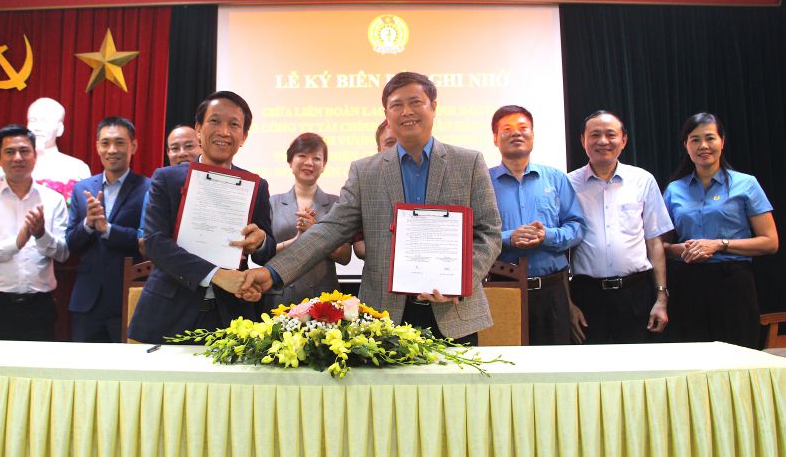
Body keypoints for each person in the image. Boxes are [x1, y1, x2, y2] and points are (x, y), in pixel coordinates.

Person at [243, 72, 502, 344]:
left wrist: (461, 281)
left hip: (454, 313)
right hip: (384, 317)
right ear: (386, 114)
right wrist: (273, 272)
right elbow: (330, 229)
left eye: (416, 102)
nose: (407, 112)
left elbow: (489, 233)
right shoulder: (365, 171)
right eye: (397, 105)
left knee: (454, 389)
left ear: (434, 107)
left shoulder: (468, 162)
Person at [127, 91, 276, 343]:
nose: (224, 131)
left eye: (234, 125)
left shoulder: (256, 185)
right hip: (169, 315)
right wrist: (218, 275)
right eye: (214, 121)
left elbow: (266, 251)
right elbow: (155, 243)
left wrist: (260, 241)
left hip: (232, 317)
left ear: (244, 137)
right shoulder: (167, 179)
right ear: (198, 128)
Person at [663, 113, 778, 349]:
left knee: (738, 360)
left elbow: (770, 242)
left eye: (710, 138)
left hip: (733, 283)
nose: (703, 146)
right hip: (688, 284)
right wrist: (684, 249)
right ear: (686, 145)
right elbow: (661, 247)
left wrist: (719, 244)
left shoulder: (746, 184)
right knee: (692, 362)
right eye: (695, 139)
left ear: (722, 141)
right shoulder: (674, 189)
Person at [567, 111, 672, 344]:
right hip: (587, 296)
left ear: (623, 140)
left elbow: (654, 242)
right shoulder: (567, 184)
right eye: (595, 135)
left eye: (610, 134)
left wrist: (661, 297)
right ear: (583, 141)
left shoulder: (643, 180)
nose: (603, 141)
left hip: (636, 293)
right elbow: (563, 249)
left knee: (637, 369)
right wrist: (568, 304)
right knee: (592, 373)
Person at [489, 105, 586, 345]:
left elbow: (577, 226)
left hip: (553, 290)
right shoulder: (482, 181)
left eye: (523, 128)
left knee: (553, 368)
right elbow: (470, 234)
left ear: (533, 135)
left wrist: (548, 236)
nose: (516, 134)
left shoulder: (555, 178)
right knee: (506, 366)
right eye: (507, 129)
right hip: (501, 289)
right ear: (494, 138)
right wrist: (508, 237)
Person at [0, 125, 69, 341]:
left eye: (24, 151)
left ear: (35, 156)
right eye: (10, 152)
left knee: (38, 372)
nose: (18, 158)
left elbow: (63, 253)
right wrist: (16, 243)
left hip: (39, 306)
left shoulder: (53, 199)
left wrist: (41, 235)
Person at [66, 117, 150, 342]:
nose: (112, 150)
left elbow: (148, 239)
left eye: (120, 143)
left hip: (128, 297)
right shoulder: (82, 189)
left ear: (133, 146)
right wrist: (88, 225)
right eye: (105, 143)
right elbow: (70, 244)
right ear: (97, 146)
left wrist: (108, 229)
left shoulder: (149, 188)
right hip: (86, 302)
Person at [262, 133, 351, 311]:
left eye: (316, 158)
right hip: (281, 296)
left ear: (324, 165)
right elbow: (263, 255)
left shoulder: (337, 204)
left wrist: (314, 233)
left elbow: (345, 256)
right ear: (290, 161)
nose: (309, 162)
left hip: (324, 300)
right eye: (302, 156)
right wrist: (295, 241)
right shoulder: (272, 203)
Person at [0, 97, 91, 181]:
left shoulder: (76, 168)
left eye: (45, 121)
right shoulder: (11, 164)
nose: (37, 127)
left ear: (60, 129)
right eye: (33, 120)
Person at [353, 120, 398, 260]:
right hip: (380, 276)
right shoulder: (365, 185)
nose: (397, 148)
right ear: (379, 150)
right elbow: (359, 247)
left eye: (402, 141)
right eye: (390, 143)